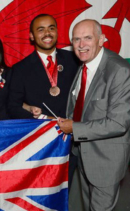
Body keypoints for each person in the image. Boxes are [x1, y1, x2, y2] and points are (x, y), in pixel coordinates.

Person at [58, 19, 130, 210]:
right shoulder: (85, 65)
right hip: (84, 154)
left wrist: (73, 128)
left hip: (107, 159)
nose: (81, 44)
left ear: (101, 39)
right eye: (76, 39)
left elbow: (118, 124)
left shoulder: (119, 71)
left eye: (87, 38)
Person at [8, 14, 79, 188]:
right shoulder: (20, 69)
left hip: (74, 142)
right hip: (39, 143)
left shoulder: (75, 60)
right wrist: (41, 119)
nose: (47, 33)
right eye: (40, 29)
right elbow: (12, 106)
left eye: (51, 28)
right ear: (32, 36)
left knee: (65, 195)